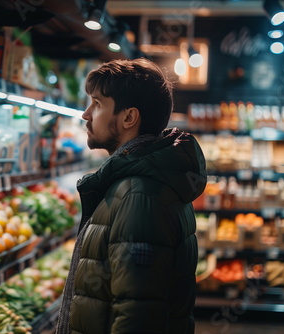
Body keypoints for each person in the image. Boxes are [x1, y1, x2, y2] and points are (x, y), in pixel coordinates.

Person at [55, 58, 207, 334]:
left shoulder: (139, 195)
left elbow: (139, 315)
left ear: (128, 117)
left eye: (98, 104)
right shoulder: (141, 184)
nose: (86, 114)